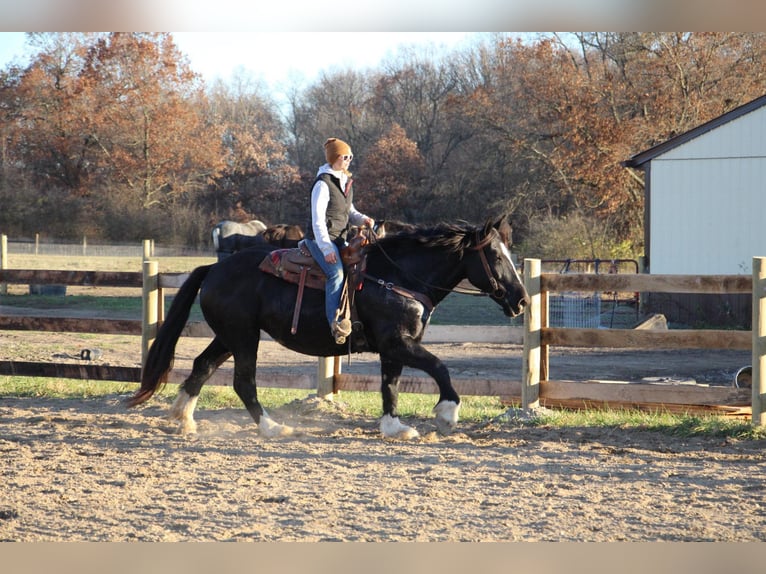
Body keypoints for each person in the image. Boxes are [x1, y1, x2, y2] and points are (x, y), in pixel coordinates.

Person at [304, 137, 375, 344]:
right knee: (335, 273)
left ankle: (353, 316)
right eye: (345, 156)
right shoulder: (323, 184)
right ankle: (334, 325)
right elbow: (318, 221)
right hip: (320, 240)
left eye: (351, 156)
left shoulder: (345, 181)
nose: (349, 160)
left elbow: (349, 211)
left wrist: (363, 219)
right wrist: (326, 248)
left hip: (339, 238)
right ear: (334, 158)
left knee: (358, 268)